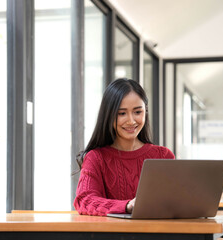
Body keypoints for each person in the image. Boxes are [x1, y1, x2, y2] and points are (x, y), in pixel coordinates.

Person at [73, 78, 175, 216]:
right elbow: (85, 200)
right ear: (109, 115)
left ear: (145, 111)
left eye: (137, 112)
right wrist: (127, 206)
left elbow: (175, 202)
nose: (131, 121)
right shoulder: (96, 158)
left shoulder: (163, 156)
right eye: (122, 113)